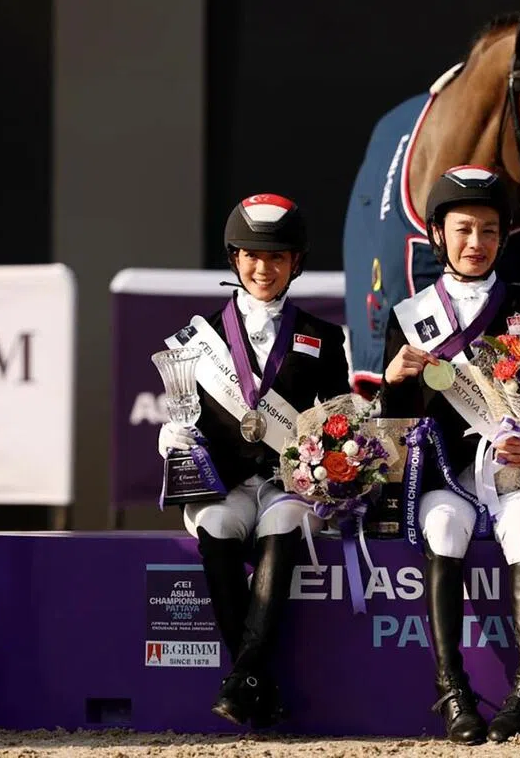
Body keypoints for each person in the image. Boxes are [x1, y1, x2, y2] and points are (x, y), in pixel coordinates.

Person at [379, 165, 520, 744]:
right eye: (462, 230)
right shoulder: (408, 316)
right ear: (438, 234)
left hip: (513, 475)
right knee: (442, 529)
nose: (475, 243)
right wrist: (393, 380)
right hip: (446, 476)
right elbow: (396, 426)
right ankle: (453, 690)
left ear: (504, 236)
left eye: (487, 230)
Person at [156, 193, 350, 727]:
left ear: (296, 263)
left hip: (289, 485)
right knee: (216, 527)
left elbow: (337, 419)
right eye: (251, 256)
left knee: (285, 520)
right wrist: (172, 436)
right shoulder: (198, 339)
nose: (263, 268)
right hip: (225, 484)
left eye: (277, 258)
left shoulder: (325, 337)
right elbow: (184, 416)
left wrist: (330, 458)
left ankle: (243, 678)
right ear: (234, 260)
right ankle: (254, 679)